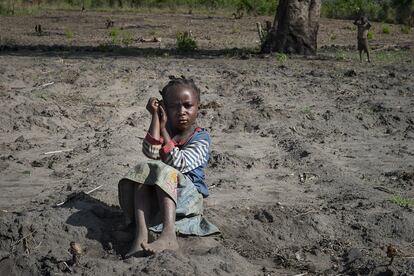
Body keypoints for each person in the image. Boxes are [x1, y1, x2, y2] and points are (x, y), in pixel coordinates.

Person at [118, 76, 219, 257]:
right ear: (165, 108)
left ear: (198, 107)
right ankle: (141, 235)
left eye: (188, 106)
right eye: (173, 106)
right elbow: (150, 151)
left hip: (187, 198)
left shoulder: (201, 138)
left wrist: (164, 130)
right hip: (163, 195)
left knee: (164, 170)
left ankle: (168, 235)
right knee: (143, 173)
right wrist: (155, 118)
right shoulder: (168, 131)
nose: (181, 111)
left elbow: (178, 163)